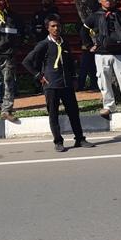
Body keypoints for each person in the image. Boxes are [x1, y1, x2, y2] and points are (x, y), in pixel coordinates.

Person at [22, 15, 95, 152]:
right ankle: (58, 141)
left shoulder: (64, 43)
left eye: (58, 26)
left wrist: (73, 78)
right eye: (53, 26)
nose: (56, 28)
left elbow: (70, 63)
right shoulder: (43, 44)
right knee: (53, 114)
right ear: (47, 28)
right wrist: (39, 76)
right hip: (51, 85)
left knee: (74, 112)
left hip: (66, 84)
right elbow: (27, 62)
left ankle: (79, 138)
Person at [84, 0, 121, 119]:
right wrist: (89, 46)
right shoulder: (95, 16)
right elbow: (83, 30)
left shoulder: (120, 14)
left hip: (120, 53)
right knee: (104, 80)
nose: (108, 1)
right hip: (102, 53)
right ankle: (108, 106)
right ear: (100, 0)